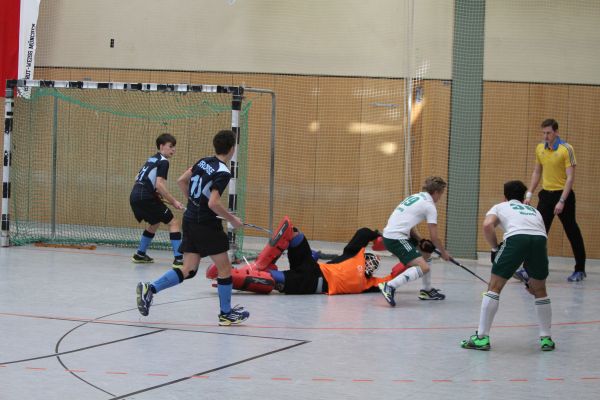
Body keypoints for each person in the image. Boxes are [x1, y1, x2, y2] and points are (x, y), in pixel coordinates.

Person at [136, 130, 249, 326]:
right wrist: (232, 220)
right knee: (224, 268)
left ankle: (150, 289)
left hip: (190, 219)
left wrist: (194, 203)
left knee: (188, 269)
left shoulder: (203, 161)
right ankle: (226, 314)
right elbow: (213, 203)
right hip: (206, 224)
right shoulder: (223, 172)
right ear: (232, 149)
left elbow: (181, 180)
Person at [461, 180, 555, 351]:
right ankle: (546, 339)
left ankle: (481, 338)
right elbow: (534, 236)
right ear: (523, 196)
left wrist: (495, 248)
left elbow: (487, 225)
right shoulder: (534, 210)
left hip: (516, 239)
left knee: (494, 287)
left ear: (505, 196)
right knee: (540, 290)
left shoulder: (500, 206)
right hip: (540, 241)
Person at [206, 217, 406, 295]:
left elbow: (394, 278)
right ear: (365, 255)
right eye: (371, 259)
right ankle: (259, 264)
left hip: (312, 284)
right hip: (314, 269)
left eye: (374, 265)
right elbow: (362, 232)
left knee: (270, 280)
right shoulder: (352, 255)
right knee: (294, 233)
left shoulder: (370, 284)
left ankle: (226, 274)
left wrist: (410, 260)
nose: (372, 264)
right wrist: (380, 237)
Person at [515, 118, 586, 282]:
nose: (545, 136)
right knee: (537, 233)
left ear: (556, 132)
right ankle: (527, 269)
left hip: (563, 196)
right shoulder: (540, 148)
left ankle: (580, 269)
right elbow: (537, 172)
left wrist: (562, 201)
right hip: (546, 196)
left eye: (548, 133)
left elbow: (570, 178)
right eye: (544, 133)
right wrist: (529, 194)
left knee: (572, 231)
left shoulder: (566, 149)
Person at [377, 176, 451, 306]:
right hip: (396, 238)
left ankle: (427, 291)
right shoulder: (429, 206)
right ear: (436, 192)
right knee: (424, 267)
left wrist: (420, 240)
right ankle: (390, 286)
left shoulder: (416, 197)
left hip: (392, 234)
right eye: (441, 194)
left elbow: (406, 222)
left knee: (426, 253)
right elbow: (435, 238)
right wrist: (444, 253)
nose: (440, 198)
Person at [130, 133, 185, 267]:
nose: (173, 150)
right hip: (145, 196)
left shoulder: (152, 159)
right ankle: (179, 259)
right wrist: (174, 202)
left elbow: (137, 177)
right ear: (161, 146)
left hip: (135, 196)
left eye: (174, 147)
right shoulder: (164, 161)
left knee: (155, 222)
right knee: (173, 222)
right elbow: (159, 185)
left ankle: (140, 254)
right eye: (170, 146)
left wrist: (153, 192)